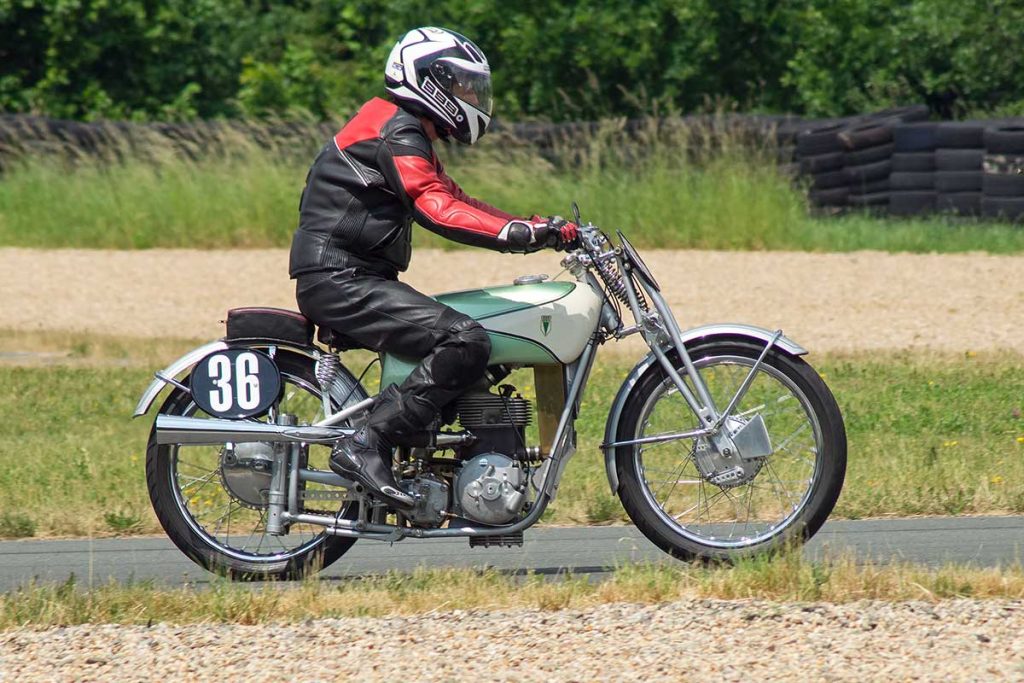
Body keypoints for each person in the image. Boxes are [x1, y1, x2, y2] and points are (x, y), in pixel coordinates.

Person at [289, 26, 578, 508]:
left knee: (468, 340)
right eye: (463, 85)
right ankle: (367, 443)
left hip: (351, 277)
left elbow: (457, 198)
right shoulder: (396, 130)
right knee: (464, 340)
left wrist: (532, 227)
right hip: (340, 280)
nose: (472, 97)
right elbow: (437, 208)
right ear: (429, 81)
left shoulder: (403, 129)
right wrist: (518, 235)